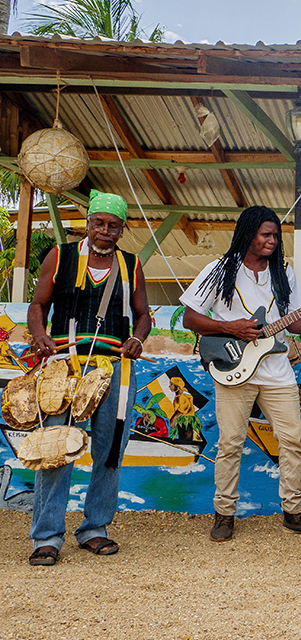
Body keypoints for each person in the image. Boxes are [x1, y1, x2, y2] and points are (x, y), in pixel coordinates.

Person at [180, 205, 301, 542]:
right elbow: (190, 318)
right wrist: (228, 326)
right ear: (248, 234)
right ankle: (224, 514)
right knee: (230, 442)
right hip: (234, 367)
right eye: (266, 234)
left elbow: (298, 323)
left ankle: (294, 512)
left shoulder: (283, 274)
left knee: (293, 441)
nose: (273, 241)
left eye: (276, 235)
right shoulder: (220, 270)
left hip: (277, 371)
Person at [26, 190, 151, 566]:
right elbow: (38, 305)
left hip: (113, 368)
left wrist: (137, 338)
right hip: (64, 366)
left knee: (109, 452)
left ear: (122, 229)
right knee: (55, 449)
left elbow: (143, 315)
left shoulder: (130, 265)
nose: (105, 231)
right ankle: (46, 536)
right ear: (88, 222)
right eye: (99, 223)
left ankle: (95, 528)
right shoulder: (60, 255)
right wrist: (38, 335)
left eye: (113, 226)